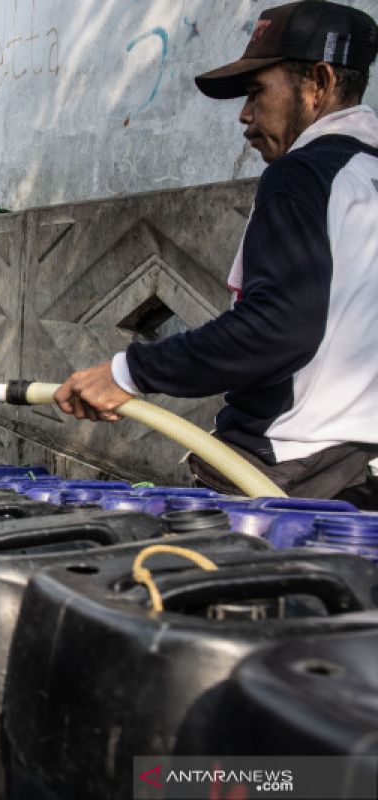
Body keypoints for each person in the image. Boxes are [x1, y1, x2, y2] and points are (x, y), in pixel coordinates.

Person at [53, 1, 378, 505]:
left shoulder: (300, 177)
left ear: (318, 81)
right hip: (355, 469)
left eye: (256, 93)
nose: (245, 116)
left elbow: (276, 329)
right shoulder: (366, 176)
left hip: (283, 471)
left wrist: (127, 374)